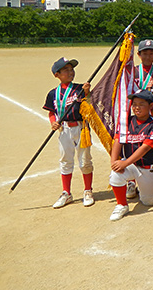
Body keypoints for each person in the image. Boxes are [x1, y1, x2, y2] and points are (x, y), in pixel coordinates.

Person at [43, 57, 94, 209]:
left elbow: (90, 106)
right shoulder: (53, 94)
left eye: (71, 69)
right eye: (66, 70)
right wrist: (53, 122)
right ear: (56, 74)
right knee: (65, 160)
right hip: (64, 129)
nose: (70, 72)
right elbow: (51, 112)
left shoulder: (80, 89)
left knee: (85, 160)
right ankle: (66, 193)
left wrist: (88, 93)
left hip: (81, 128)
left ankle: (88, 190)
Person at [108, 89, 153, 221]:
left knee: (149, 201)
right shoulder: (126, 121)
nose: (137, 107)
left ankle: (151, 187)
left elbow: (144, 148)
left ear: (150, 106)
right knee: (115, 174)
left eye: (141, 104)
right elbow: (118, 141)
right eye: (134, 104)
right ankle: (122, 204)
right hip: (131, 165)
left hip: (148, 167)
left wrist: (125, 163)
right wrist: (114, 162)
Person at [128, 39, 153, 199]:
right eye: (144, 53)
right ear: (139, 55)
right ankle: (131, 183)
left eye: (151, 53)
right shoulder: (132, 71)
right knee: (132, 146)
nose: (148, 56)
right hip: (135, 115)